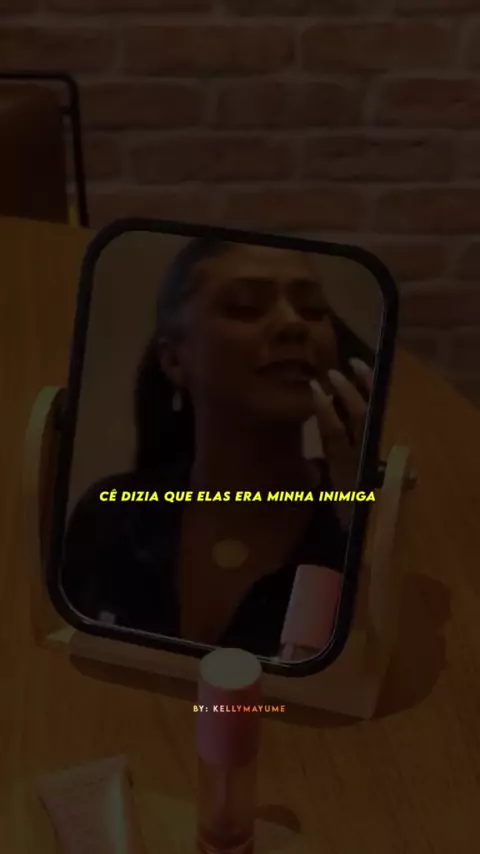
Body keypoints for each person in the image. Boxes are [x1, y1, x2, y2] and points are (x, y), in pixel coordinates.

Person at [62, 238, 374, 658]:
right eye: (246, 307)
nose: (294, 324)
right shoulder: (110, 515)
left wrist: (362, 525)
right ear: (174, 360)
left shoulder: (354, 521)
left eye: (313, 310)